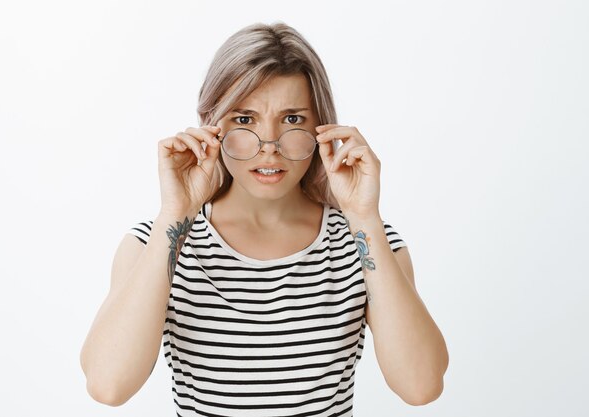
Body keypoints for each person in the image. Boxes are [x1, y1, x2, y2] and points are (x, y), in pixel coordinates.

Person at [80, 22, 448, 416]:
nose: (269, 148)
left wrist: (364, 218)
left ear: (322, 127)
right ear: (211, 124)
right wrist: (175, 215)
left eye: (292, 120)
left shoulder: (367, 243)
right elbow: (108, 385)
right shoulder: (152, 244)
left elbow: (420, 386)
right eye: (244, 120)